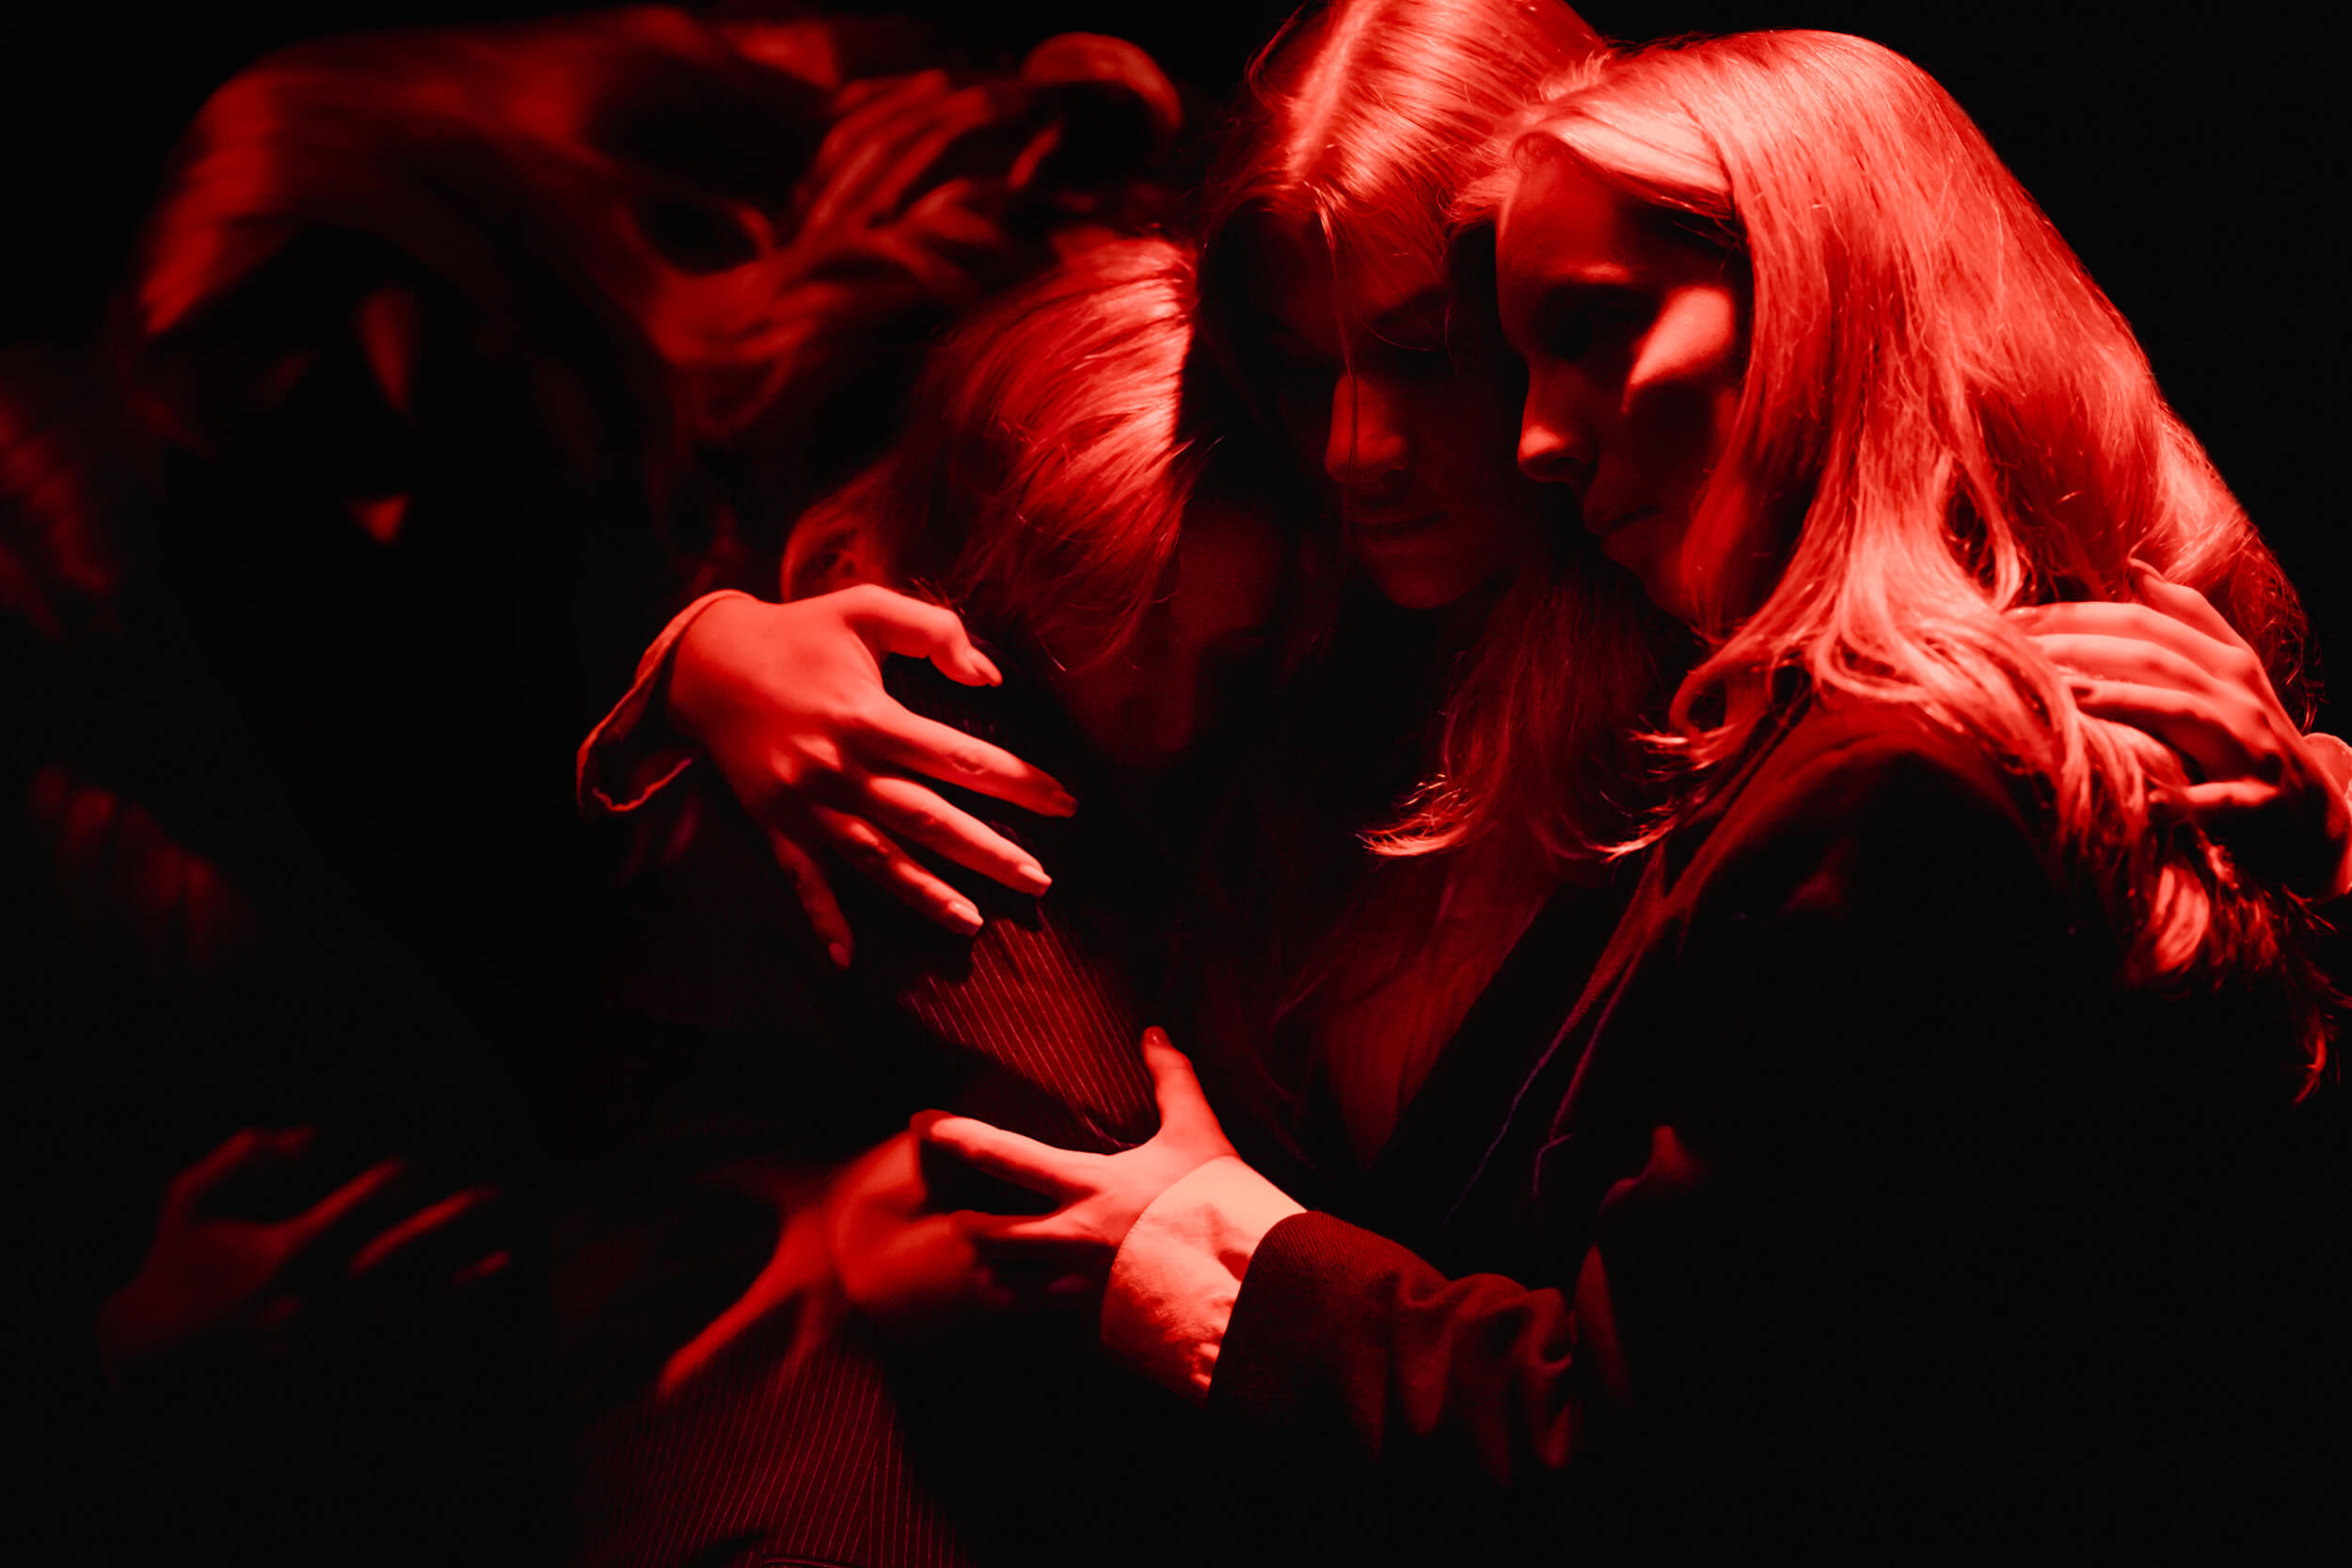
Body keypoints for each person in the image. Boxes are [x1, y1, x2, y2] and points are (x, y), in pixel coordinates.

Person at [903, 30, 2345, 1559]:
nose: (1358, 445)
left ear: (1810, 303)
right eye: (1301, 366)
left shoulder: (1876, 742)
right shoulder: (1332, 646)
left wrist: (2327, 840)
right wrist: (750, 654)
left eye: (1437, 349)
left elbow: (1690, 1426)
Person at [565, 234, 1298, 1568]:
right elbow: (1106, 1140)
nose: (1175, 717)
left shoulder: (1221, 756)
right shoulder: (908, 741)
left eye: (1232, 658)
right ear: (1011, 574)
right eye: (1126, 636)